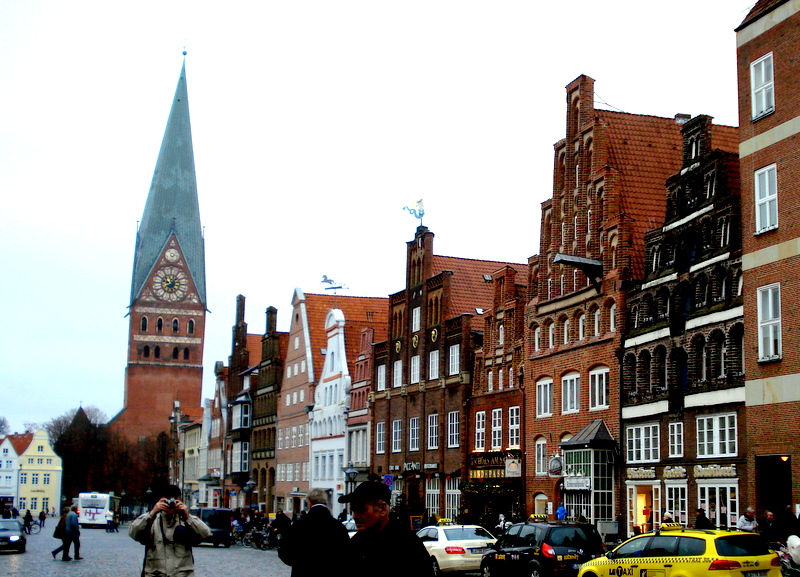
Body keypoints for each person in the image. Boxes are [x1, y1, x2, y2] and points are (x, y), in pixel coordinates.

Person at [339, 481, 434, 577]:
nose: (355, 516)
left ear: (382, 509)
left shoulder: (407, 545)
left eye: (361, 510)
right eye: (353, 510)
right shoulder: (356, 544)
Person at [129, 485, 210, 577]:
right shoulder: (152, 520)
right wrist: (152, 513)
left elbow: (205, 533)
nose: (171, 503)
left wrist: (188, 517)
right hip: (156, 573)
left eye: (175, 499)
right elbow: (134, 532)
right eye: (167, 499)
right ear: (160, 500)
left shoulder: (187, 520)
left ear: (180, 499)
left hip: (181, 574)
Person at [279, 488, 350, 576]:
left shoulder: (299, 525)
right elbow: (347, 556)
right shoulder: (338, 527)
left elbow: (285, 552)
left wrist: (299, 563)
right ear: (326, 503)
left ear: (309, 504)